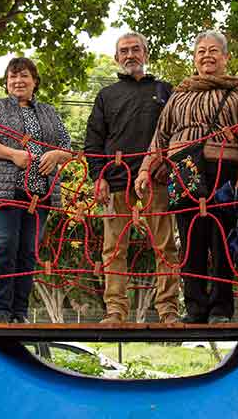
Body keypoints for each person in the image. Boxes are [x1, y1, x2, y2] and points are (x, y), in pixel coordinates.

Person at [141, 30, 238, 324]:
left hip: (223, 169)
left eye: (214, 50)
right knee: (190, 240)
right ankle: (195, 308)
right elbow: (161, 135)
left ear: (226, 57)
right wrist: (145, 169)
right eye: (201, 51)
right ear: (194, 58)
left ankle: (220, 309)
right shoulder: (180, 93)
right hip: (184, 170)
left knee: (221, 238)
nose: (207, 55)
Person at [84, 32, 181, 324]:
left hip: (156, 180)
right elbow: (94, 140)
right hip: (115, 180)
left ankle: (168, 310)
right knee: (113, 248)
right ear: (116, 58)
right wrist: (97, 176)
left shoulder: (165, 90)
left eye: (135, 49)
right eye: (124, 51)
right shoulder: (107, 95)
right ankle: (115, 310)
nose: (130, 55)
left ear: (146, 54)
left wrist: (168, 165)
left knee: (165, 246)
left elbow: (176, 133)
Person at [0, 57, 72, 323]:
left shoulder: (49, 112)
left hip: (39, 193)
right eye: (12, 76)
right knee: (4, 248)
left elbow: (67, 146)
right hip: (3, 191)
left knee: (28, 253)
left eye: (24, 76)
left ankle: (20, 312)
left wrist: (55, 155)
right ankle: (0, 312)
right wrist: (12, 154)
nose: (18, 81)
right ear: (6, 82)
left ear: (34, 82)